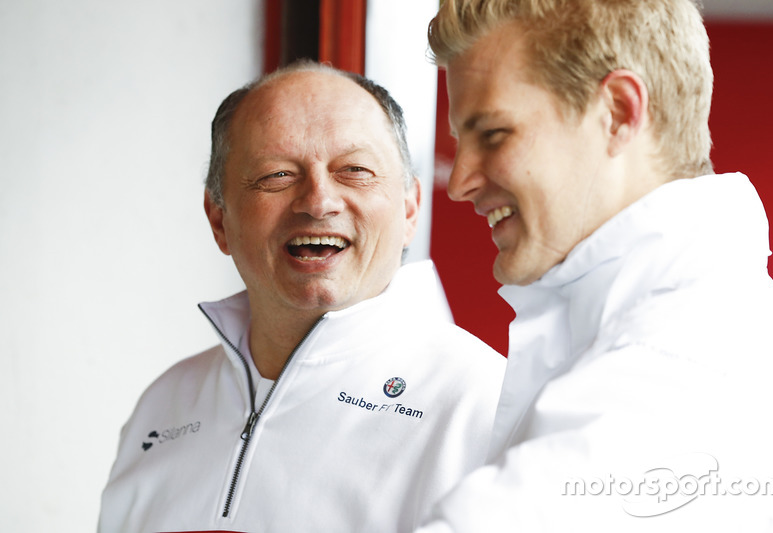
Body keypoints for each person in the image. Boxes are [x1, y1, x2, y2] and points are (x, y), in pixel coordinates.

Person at [415, 0, 773, 531]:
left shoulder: (672, 379)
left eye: (494, 135)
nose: (459, 183)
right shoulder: (716, 325)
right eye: (461, 143)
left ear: (618, 112)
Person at [98, 60, 505, 533]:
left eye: (354, 170)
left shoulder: (486, 405)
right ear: (219, 219)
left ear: (410, 208)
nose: (317, 201)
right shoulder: (163, 405)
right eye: (277, 175)